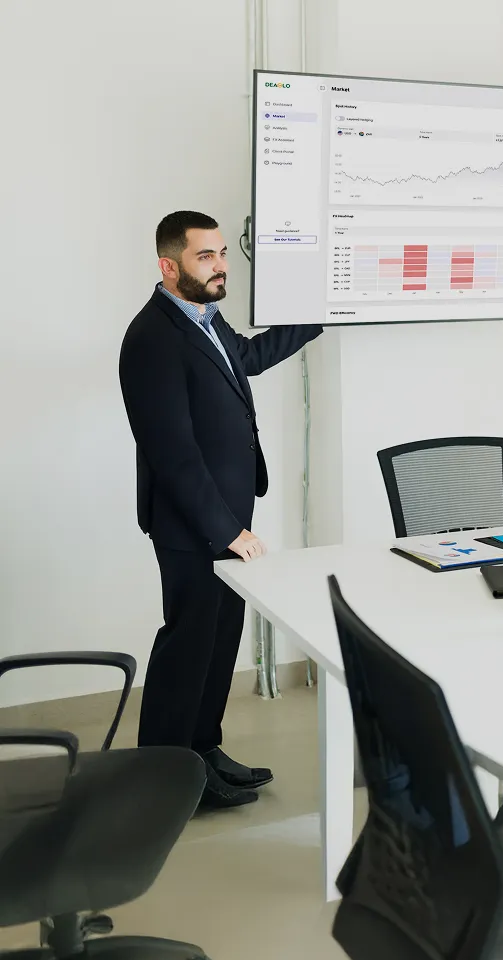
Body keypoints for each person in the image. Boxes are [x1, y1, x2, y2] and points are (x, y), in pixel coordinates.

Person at [119, 211, 323, 809]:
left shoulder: (205, 318)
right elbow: (173, 453)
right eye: (206, 257)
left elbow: (248, 360)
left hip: (227, 517)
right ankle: (160, 775)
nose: (221, 266)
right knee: (188, 643)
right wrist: (227, 529)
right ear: (169, 265)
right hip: (195, 524)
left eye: (221, 254)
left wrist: (319, 316)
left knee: (219, 639)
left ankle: (203, 752)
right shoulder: (152, 338)